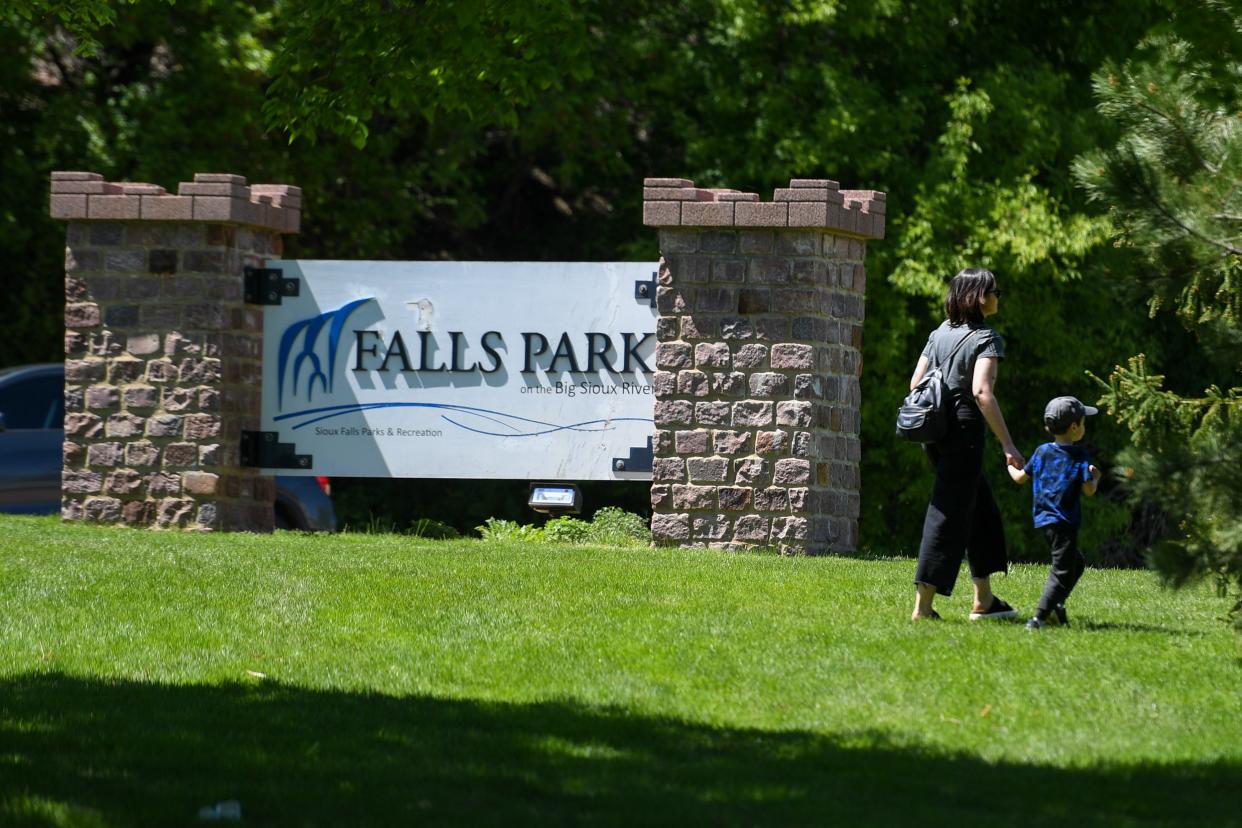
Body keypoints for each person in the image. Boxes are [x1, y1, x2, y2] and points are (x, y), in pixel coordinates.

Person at [909, 268, 1024, 621]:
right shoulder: (986, 338)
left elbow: (916, 383)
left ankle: (984, 600)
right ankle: (923, 608)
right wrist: (1009, 445)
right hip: (964, 430)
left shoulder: (938, 333)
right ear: (979, 297)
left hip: (935, 431)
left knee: (980, 509)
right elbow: (981, 393)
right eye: (995, 291)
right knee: (946, 514)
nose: (998, 296)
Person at [1007, 396, 1102, 629]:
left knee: (1075, 563)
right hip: (1065, 521)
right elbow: (1089, 490)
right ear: (1074, 427)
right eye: (1083, 422)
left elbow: (1020, 478)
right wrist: (1096, 477)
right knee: (1062, 569)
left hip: (1043, 520)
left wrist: (1009, 464)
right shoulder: (1079, 455)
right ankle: (1039, 617)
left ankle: (1056, 606)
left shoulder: (1041, 452)